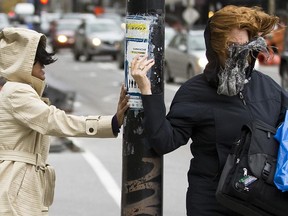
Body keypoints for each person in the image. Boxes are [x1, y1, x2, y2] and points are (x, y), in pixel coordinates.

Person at [131, 5, 288, 216]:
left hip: (260, 202)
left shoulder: (268, 87)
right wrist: (147, 91)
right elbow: (164, 141)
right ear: (215, 49)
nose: (240, 55)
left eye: (245, 46)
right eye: (232, 46)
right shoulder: (195, 92)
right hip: (211, 203)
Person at [0, 27, 129, 215]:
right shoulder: (18, 91)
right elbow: (54, 120)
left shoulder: (13, 90)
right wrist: (110, 123)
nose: (44, 67)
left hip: (18, 180)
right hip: (16, 182)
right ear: (23, 64)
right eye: (39, 62)